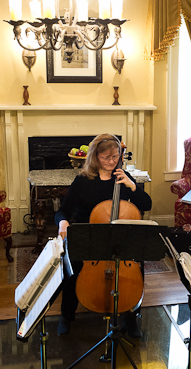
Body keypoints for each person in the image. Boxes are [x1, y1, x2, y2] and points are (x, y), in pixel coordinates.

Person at [55, 133, 152, 336]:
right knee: (71, 267)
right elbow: (63, 211)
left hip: (119, 237)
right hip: (89, 235)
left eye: (115, 157)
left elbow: (147, 204)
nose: (111, 161)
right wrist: (63, 223)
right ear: (95, 157)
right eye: (106, 157)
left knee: (137, 263)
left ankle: (131, 316)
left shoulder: (123, 178)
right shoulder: (82, 181)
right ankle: (66, 315)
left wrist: (132, 186)